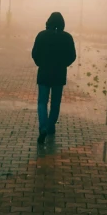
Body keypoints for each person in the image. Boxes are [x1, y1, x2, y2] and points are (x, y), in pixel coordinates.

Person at [31, 12, 76, 144]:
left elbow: (34, 53)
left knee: (42, 102)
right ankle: (51, 127)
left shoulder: (41, 35)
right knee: (55, 103)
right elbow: (72, 56)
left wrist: (40, 63)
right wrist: (63, 65)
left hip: (44, 73)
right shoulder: (67, 37)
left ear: (48, 22)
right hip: (59, 74)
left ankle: (43, 127)